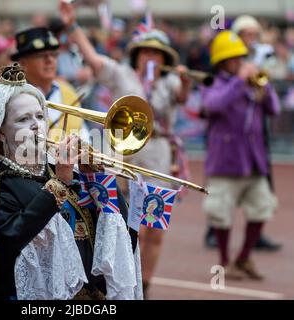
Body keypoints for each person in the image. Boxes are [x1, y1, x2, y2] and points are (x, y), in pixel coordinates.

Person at [0, 63, 142, 300]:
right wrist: (58, 185)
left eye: (40, 116)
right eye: (23, 119)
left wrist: (97, 178)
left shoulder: (66, 173)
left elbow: (122, 242)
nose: (36, 125)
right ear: (0, 132)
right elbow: (4, 247)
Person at [58, 0, 192, 298]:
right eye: (146, 51)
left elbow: (183, 98)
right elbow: (93, 60)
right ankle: (120, 283)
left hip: (157, 155)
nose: (151, 56)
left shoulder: (168, 82)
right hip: (121, 156)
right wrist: (72, 25)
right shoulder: (121, 74)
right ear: (137, 53)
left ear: (164, 57)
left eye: (156, 52)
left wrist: (184, 84)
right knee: (118, 221)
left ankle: (144, 288)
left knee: (154, 228)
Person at [201, 30, 280, 280]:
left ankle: (244, 257)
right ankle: (225, 262)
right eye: (234, 58)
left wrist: (264, 89)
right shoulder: (214, 83)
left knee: (262, 208)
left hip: (253, 162)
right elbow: (214, 105)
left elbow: (275, 109)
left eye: (241, 57)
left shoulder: (250, 83)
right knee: (220, 213)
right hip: (226, 161)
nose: (240, 62)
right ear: (222, 61)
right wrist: (239, 82)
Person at [11, 26, 87, 141]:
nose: (50, 60)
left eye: (53, 54)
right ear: (23, 63)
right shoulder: (15, 97)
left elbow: (83, 131)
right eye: (42, 55)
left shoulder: (68, 90)